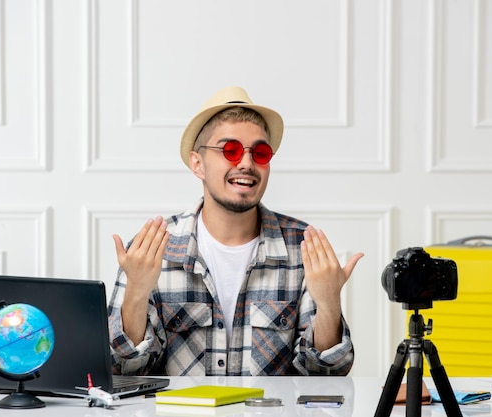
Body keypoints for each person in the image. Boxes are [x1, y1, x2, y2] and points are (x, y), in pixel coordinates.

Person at [108, 86, 364, 376]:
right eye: (229, 150)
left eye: (260, 152)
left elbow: (326, 376)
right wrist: (136, 295)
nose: (246, 163)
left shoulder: (302, 247)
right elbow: (122, 370)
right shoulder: (152, 250)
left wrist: (330, 304)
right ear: (197, 164)